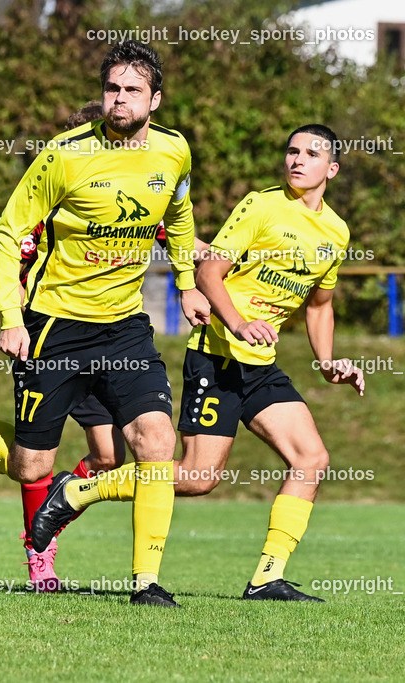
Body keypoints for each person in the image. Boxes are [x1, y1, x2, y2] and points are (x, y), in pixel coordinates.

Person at [0, 40, 210, 607]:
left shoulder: (174, 151)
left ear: (156, 98)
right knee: (31, 465)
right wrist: (10, 317)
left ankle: (146, 584)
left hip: (125, 326)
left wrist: (186, 281)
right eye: (112, 89)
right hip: (55, 326)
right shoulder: (65, 154)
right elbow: (6, 234)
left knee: (156, 442)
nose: (119, 100)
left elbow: (179, 212)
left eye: (131, 91)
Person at [34, 124, 364, 602]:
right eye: (291, 150)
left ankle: (266, 578)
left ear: (331, 169)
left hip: (261, 365)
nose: (297, 159)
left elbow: (319, 305)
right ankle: (77, 492)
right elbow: (210, 270)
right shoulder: (262, 204)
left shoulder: (336, 231)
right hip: (216, 356)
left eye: (310, 154)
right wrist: (236, 323)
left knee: (311, 458)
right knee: (196, 477)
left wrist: (329, 361)